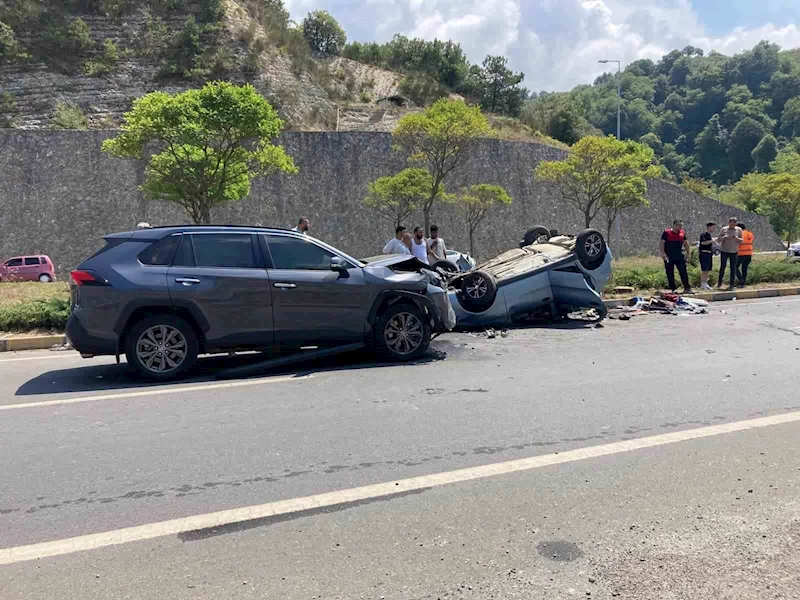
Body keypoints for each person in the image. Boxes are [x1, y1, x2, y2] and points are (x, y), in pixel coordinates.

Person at [659, 219, 694, 294]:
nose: (680, 227)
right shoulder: (667, 232)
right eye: (679, 225)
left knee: (683, 271)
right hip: (669, 255)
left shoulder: (682, 232)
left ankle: (687, 288)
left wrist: (688, 254)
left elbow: (686, 244)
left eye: (681, 225)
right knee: (670, 272)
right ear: (674, 225)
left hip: (679, 255)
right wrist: (663, 253)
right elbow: (662, 243)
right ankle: (673, 288)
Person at [717, 217, 743, 290]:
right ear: (728, 223)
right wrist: (725, 237)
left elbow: (742, 240)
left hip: (734, 251)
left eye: (734, 224)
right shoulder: (724, 229)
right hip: (724, 250)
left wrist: (737, 238)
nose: (732, 226)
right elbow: (718, 239)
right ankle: (719, 282)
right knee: (723, 266)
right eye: (731, 224)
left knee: (733, 267)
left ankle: (732, 284)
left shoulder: (739, 230)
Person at [698, 222, 716, 290]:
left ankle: (705, 283)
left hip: (709, 254)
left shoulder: (709, 235)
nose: (714, 229)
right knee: (704, 269)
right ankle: (703, 285)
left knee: (707, 270)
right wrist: (712, 241)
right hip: (704, 253)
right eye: (713, 227)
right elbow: (703, 242)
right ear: (709, 227)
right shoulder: (703, 234)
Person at [736, 223, 754, 287]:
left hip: (741, 253)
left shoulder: (739, 233)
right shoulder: (750, 234)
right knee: (744, 268)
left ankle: (741, 280)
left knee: (734, 267)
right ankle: (743, 283)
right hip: (749, 253)